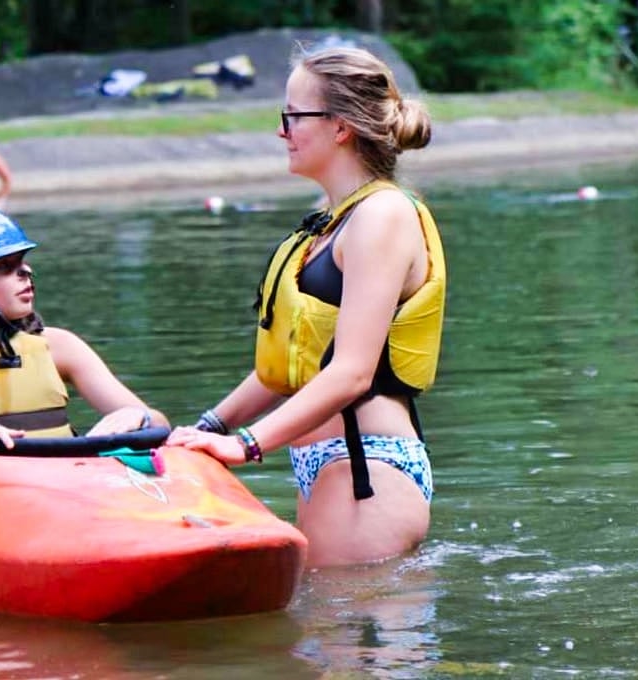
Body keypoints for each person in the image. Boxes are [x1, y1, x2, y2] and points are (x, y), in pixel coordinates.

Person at [166, 46, 445, 566]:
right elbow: (288, 366)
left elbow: (352, 374)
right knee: (327, 638)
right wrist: (206, 431)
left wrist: (247, 446)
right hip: (331, 463)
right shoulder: (332, 218)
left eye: (292, 116)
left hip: (367, 468)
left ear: (339, 127)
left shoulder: (381, 216)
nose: (282, 131)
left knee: (348, 640)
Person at [0, 205, 168, 463]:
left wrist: (136, 416)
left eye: (22, 262)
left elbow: (159, 424)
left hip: (60, 484)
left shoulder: (60, 346)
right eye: (5, 267)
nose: (26, 271)